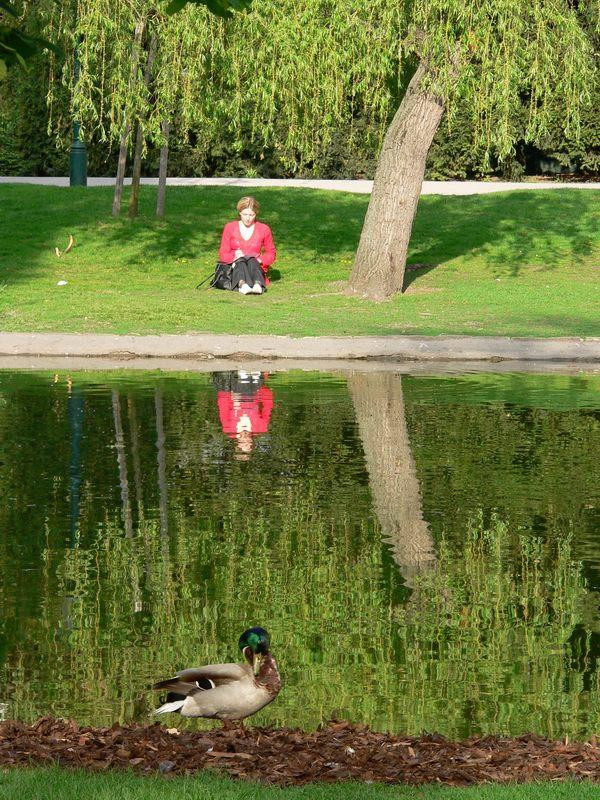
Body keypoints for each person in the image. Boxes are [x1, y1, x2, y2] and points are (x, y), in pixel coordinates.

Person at [218, 196, 276, 295]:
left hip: (255, 267)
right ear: (239, 212)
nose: (248, 218)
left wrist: (260, 260)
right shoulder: (230, 227)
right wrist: (234, 257)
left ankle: (258, 285)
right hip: (235, 267)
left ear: (256, 214)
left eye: (251, 215)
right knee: (241, 261)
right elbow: (223, 253)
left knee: (251, 260)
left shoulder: (264, 229)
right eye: (245, 214)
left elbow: (271, 253)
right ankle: (242, 285)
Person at [216, 371, 274, 458]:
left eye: (243, 443)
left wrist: (229, 394)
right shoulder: (261, 428)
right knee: (251, 389)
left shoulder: (228, 428)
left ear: (238, 443)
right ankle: (253, 374)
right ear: (252, 442)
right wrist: (261, 392)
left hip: (236, 392)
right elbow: (268, 405)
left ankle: (246, 374)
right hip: (254, 394)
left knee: (242, 390)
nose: (246, 440)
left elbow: (223, 405)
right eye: (248, 443)